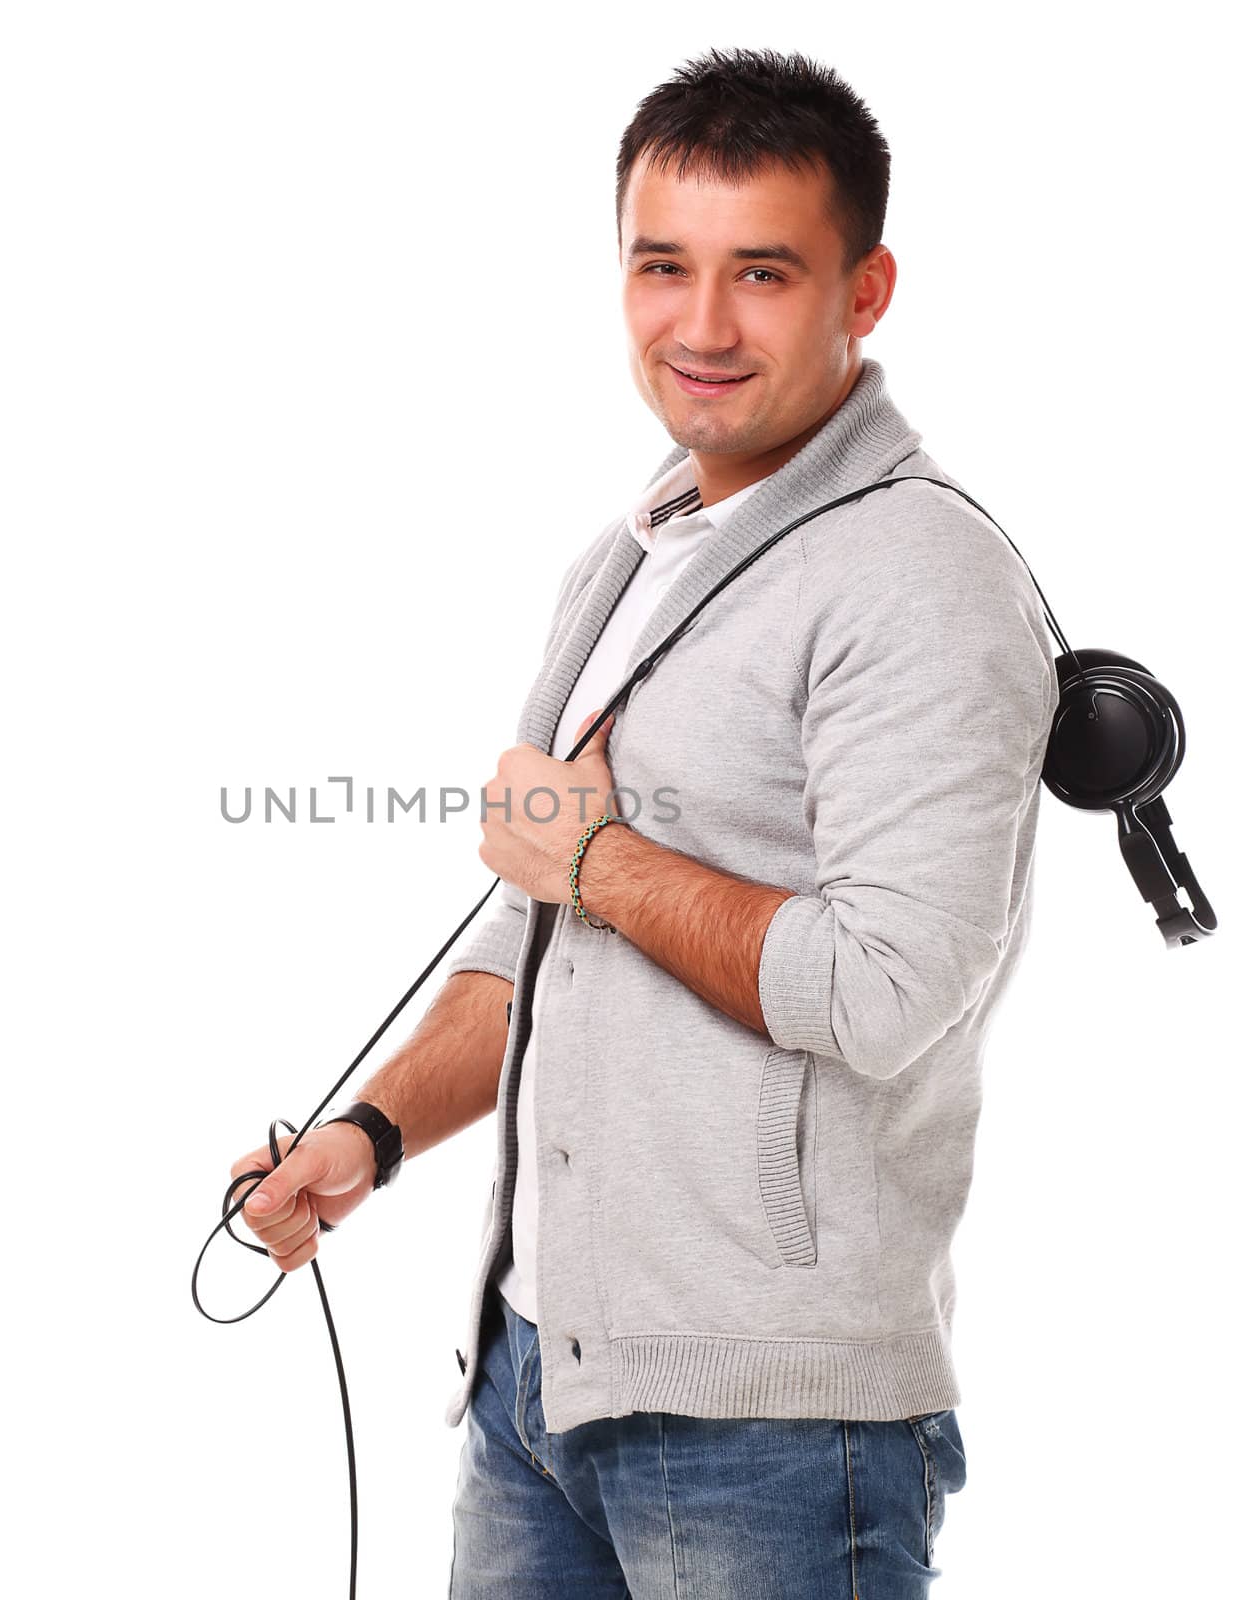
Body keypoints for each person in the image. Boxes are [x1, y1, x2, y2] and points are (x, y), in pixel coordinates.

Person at [227, 45, 1056, 1597]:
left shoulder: (920, 581)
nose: (702, 325)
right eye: (661, 266)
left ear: (864, 291)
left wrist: (595, 861)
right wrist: (371, 1131)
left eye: (763, 272)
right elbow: (530, 926)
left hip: (775, 1433)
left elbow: (884, 991)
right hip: (538, 1382)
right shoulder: (638, 547)